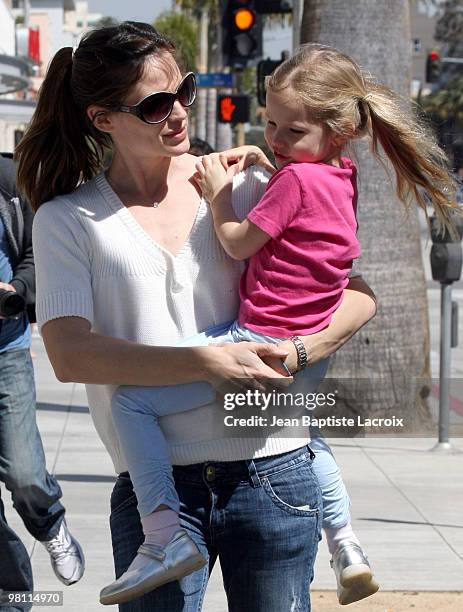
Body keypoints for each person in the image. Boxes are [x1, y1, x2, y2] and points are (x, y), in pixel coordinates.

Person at [15, 22, 377, 612]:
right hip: (159, 495)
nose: (180, 111)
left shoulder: (249, 182)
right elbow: (69, 354)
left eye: (182, 90)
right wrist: (207, 361)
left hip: (275, 471)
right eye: (156, 104)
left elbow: (356, 292)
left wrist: (301, 352)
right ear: (103, 118)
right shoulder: (68, 219)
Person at [102, 41, 458, 606]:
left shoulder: (292, 181)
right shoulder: (339, 174)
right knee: (303, 437)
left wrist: (220, 196)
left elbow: (240, 243)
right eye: (269, 123)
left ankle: (163, 535)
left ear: (336, 129)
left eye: (290, 131)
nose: (274, 139)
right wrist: (271, 160)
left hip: (260, 340)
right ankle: (345, 544)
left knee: (131, 404)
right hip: (308, 343)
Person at [0, 154, 85, 610]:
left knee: (25, 474)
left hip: (5, 351)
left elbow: (36, 251)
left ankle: (50, 524)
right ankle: (13, 598)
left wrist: (18, 291)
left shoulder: (10, 180)